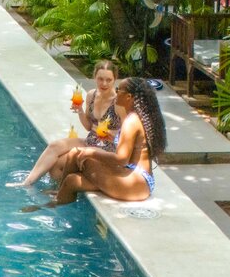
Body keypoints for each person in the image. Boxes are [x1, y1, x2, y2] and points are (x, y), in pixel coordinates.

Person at [49, 76, 166, 205]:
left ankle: (53, 202)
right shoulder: (137, 117)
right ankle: (59, 199)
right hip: (140, 180)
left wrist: (91, 153)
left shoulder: (131, 121)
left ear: (129, 97)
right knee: (71, 181)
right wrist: (113, 138)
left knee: (75, 153)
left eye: (119, 90)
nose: (116, 93)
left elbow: (121, 159)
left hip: (134, 182)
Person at [13, 60, 122, 187]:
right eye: (100, 79)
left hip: (107, 148)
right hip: (90, 140)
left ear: (115, 79)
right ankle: (27, 183)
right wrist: (80, 110)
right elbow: (88, 127)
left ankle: (61, 190)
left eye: (109, 80)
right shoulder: (91, 95)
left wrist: (112, 135)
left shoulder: (119, 102)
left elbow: (127, 134)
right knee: (54, 146)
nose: (104, 83)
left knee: (57, 164)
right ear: (94, 78)